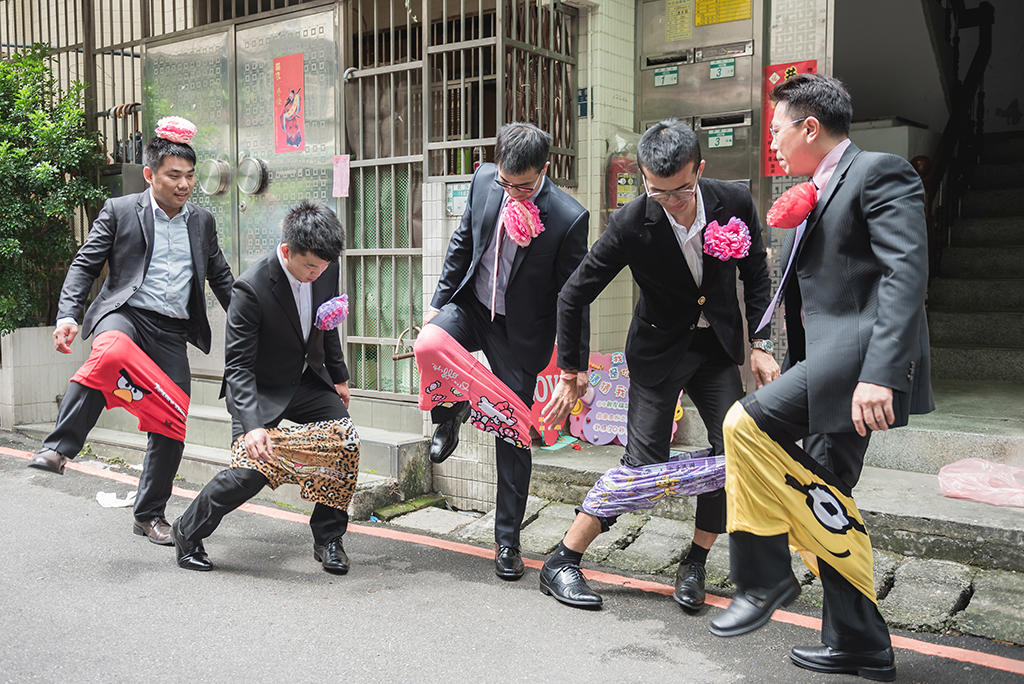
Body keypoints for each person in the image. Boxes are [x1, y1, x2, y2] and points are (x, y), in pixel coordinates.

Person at [708, 74, 933, 682]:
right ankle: (858, 640)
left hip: (856, 367)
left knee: (742, 425)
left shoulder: (879, 173)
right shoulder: (817, 186)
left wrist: (881, 374)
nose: (773, 140)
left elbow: (905, 276)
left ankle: (764, 577)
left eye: (778, 126)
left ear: (810, 126)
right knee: (824, 497)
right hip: (822, 364)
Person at [536, 119, 777, 610]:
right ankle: (562, 559)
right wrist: (570, 370)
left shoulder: (734, 201)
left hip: (717, 351)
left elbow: (756, 273)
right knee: (642, 466)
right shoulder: (631, 222)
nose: (671, 201)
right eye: (659, 192)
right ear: (645, 178)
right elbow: (572, 295)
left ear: (700, 170)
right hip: (658, 351)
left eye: (682, 191)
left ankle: (694, 563)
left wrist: (762, 342)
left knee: (731, 452)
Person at [28, 118, 234, 546]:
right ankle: (60, 448)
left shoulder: (202, 221)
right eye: (173, 175)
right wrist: (68, 315)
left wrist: (251, 325)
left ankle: (148, 514)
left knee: (173, 416)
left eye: (189, 176)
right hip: (125, 314)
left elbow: (222, 278)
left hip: (171, 330)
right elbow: (85, 265)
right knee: (110, 353)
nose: (183, 185)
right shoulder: (120, 210)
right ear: (150, 174)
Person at [417, 122, 590, 580]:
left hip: (520, 332)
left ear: (545, 170)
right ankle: (450, 414)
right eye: (506, 184)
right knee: (429, 344)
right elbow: (462, 244)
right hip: (473, 306)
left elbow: (576, 296)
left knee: (512, 434)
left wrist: (574, 365)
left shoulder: (569, 217)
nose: (513, 193)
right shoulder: (482, 181)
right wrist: (437, 305)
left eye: (525, 186)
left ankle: (507, 541)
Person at [171, 201, 355, 574]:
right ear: (287, 251)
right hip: (259, 389)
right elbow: (237, 367)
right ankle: (187, 531)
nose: (316, 274)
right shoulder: (250, 289)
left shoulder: (322, 267)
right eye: (309, 267)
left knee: (345, 443)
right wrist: (254, 426)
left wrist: (339, 377)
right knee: (252, 470)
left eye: (322, 268)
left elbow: (327, 325)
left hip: (305, 381)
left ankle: (329, 538)